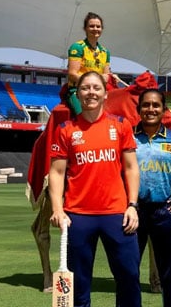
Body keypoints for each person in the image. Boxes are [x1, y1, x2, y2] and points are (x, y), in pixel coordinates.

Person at [48, 71, 141, 307]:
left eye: (96, 88)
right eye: (85, 88)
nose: (91, 92)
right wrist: (58, 210)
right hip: (77, 216)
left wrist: (132, 205)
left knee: (129, 278)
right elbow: (56, 172)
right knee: (78, 285)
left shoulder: (121, 125)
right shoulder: (66, 129)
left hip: (117, 214)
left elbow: (131, 168)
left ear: (105, 94)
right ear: (78, 94)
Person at [134, 89, 171, 307]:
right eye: (146, 105)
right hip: (134, 212)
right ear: (139, 109)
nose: (151, 109)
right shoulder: (127, 137)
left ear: (164, 110)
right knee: (127, 272)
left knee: (170, 275)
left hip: (165, 212)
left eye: (156, 105)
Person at [66, 12, 112, 115]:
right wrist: (89, 85)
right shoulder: (78, 47)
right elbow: (72, 74)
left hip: (97, 92)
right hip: (79, 90)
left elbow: (106, 75)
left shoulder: (105, 52)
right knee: (84, 116)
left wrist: (100, 82)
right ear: (85, 28)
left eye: (98, 26)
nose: (95, 29)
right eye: (91, 26)